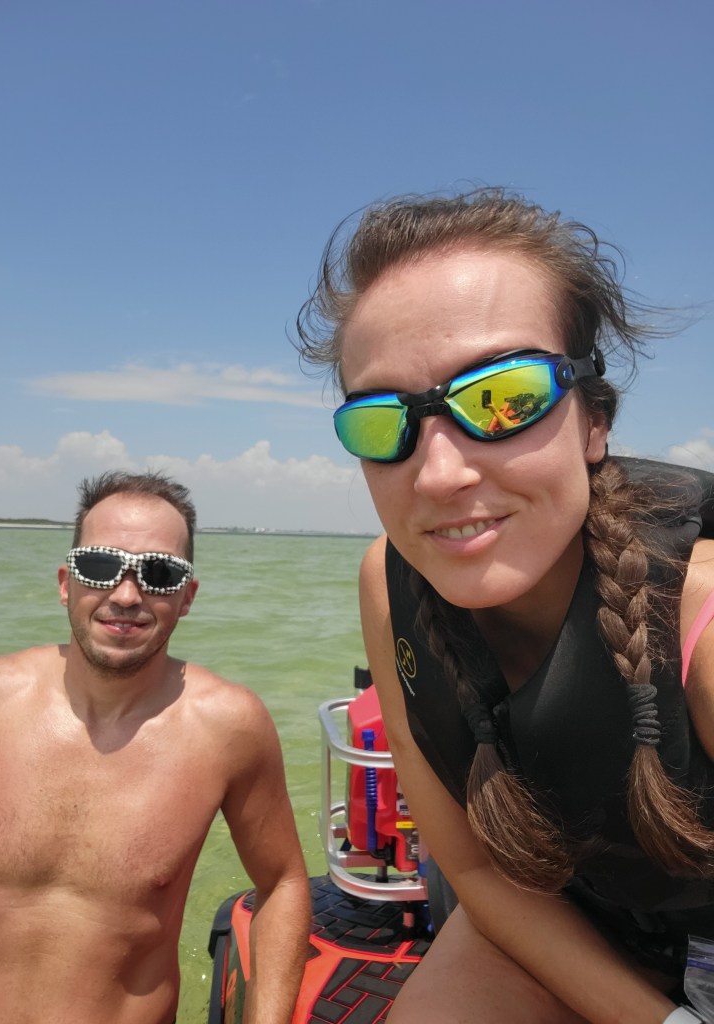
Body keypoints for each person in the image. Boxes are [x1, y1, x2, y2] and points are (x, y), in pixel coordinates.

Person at [296, 189, 714, 1024]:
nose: (439, 473)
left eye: (503, 398)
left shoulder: (698, 613)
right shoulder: (388, 583)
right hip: (572, 916)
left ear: (594, 422)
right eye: (384, 422)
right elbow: (478, 873)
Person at [0, 471, 310, 1024]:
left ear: (186, 597)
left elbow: (282, 882)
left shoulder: (226, 727)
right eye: (100, 565)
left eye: (160, 574)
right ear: (67, 582)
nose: (126, 595)